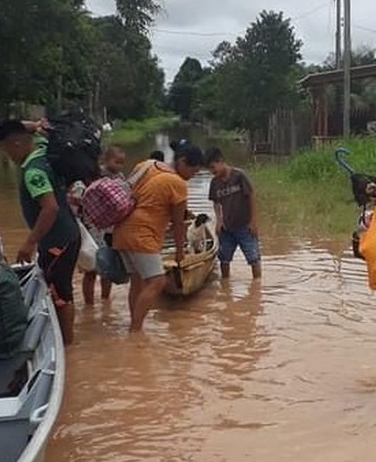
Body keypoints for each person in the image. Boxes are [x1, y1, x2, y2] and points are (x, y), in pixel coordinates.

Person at [0, 119, 79, 345]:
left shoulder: (33, 171)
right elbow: (37, 129)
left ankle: (68, 346)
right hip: (67, 236)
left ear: (17, 144)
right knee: (57, 288)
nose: (7, 155)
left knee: (61, 294)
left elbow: (50, 208)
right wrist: (29, 126)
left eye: (6, 149)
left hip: (58, 240)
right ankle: (65, 339)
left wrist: (29, 243)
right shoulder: (42, 150)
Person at [112, 141, 204, 332]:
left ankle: (134, 324)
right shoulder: (177, 183)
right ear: (182, 161)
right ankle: (135, 330)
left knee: (137, 280)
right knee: (157, 281)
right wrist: (180, 252)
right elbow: (179, 224)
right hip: (142, 234)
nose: (191, 177)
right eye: (193, 172)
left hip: (121, 231)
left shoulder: (145, 165)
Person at [69, 145, 127, 306]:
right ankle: (89, 305)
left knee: (107, 268)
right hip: (92, 229)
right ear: (105, 160)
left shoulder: (120, 179)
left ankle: (105, 301)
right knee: (91, 270)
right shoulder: (91, 177)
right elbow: (74, 199)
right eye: (116, 162)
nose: (119, 166)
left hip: (111, 230)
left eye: (122, 163)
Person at [205, 147, 261, 279]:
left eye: (213, 167)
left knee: (253, 258)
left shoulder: (239, 176)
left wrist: (253, 222)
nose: (212, 171)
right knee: (224, 259)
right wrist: (219, 220)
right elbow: (216, 202)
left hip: (245, 226)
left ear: (221, 161)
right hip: (227, 228)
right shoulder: (215, 182)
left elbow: (251, 197)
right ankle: (226, 286)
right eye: (210, 169)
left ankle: (257, 288)